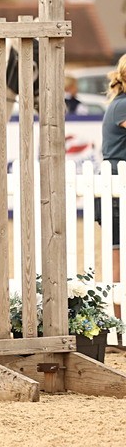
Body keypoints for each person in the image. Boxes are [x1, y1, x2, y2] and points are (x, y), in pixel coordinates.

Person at [96, 56, 126, 302]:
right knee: (119, 259)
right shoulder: (123, 105)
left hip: (117, 184)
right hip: (116, 187)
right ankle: (118, 320)